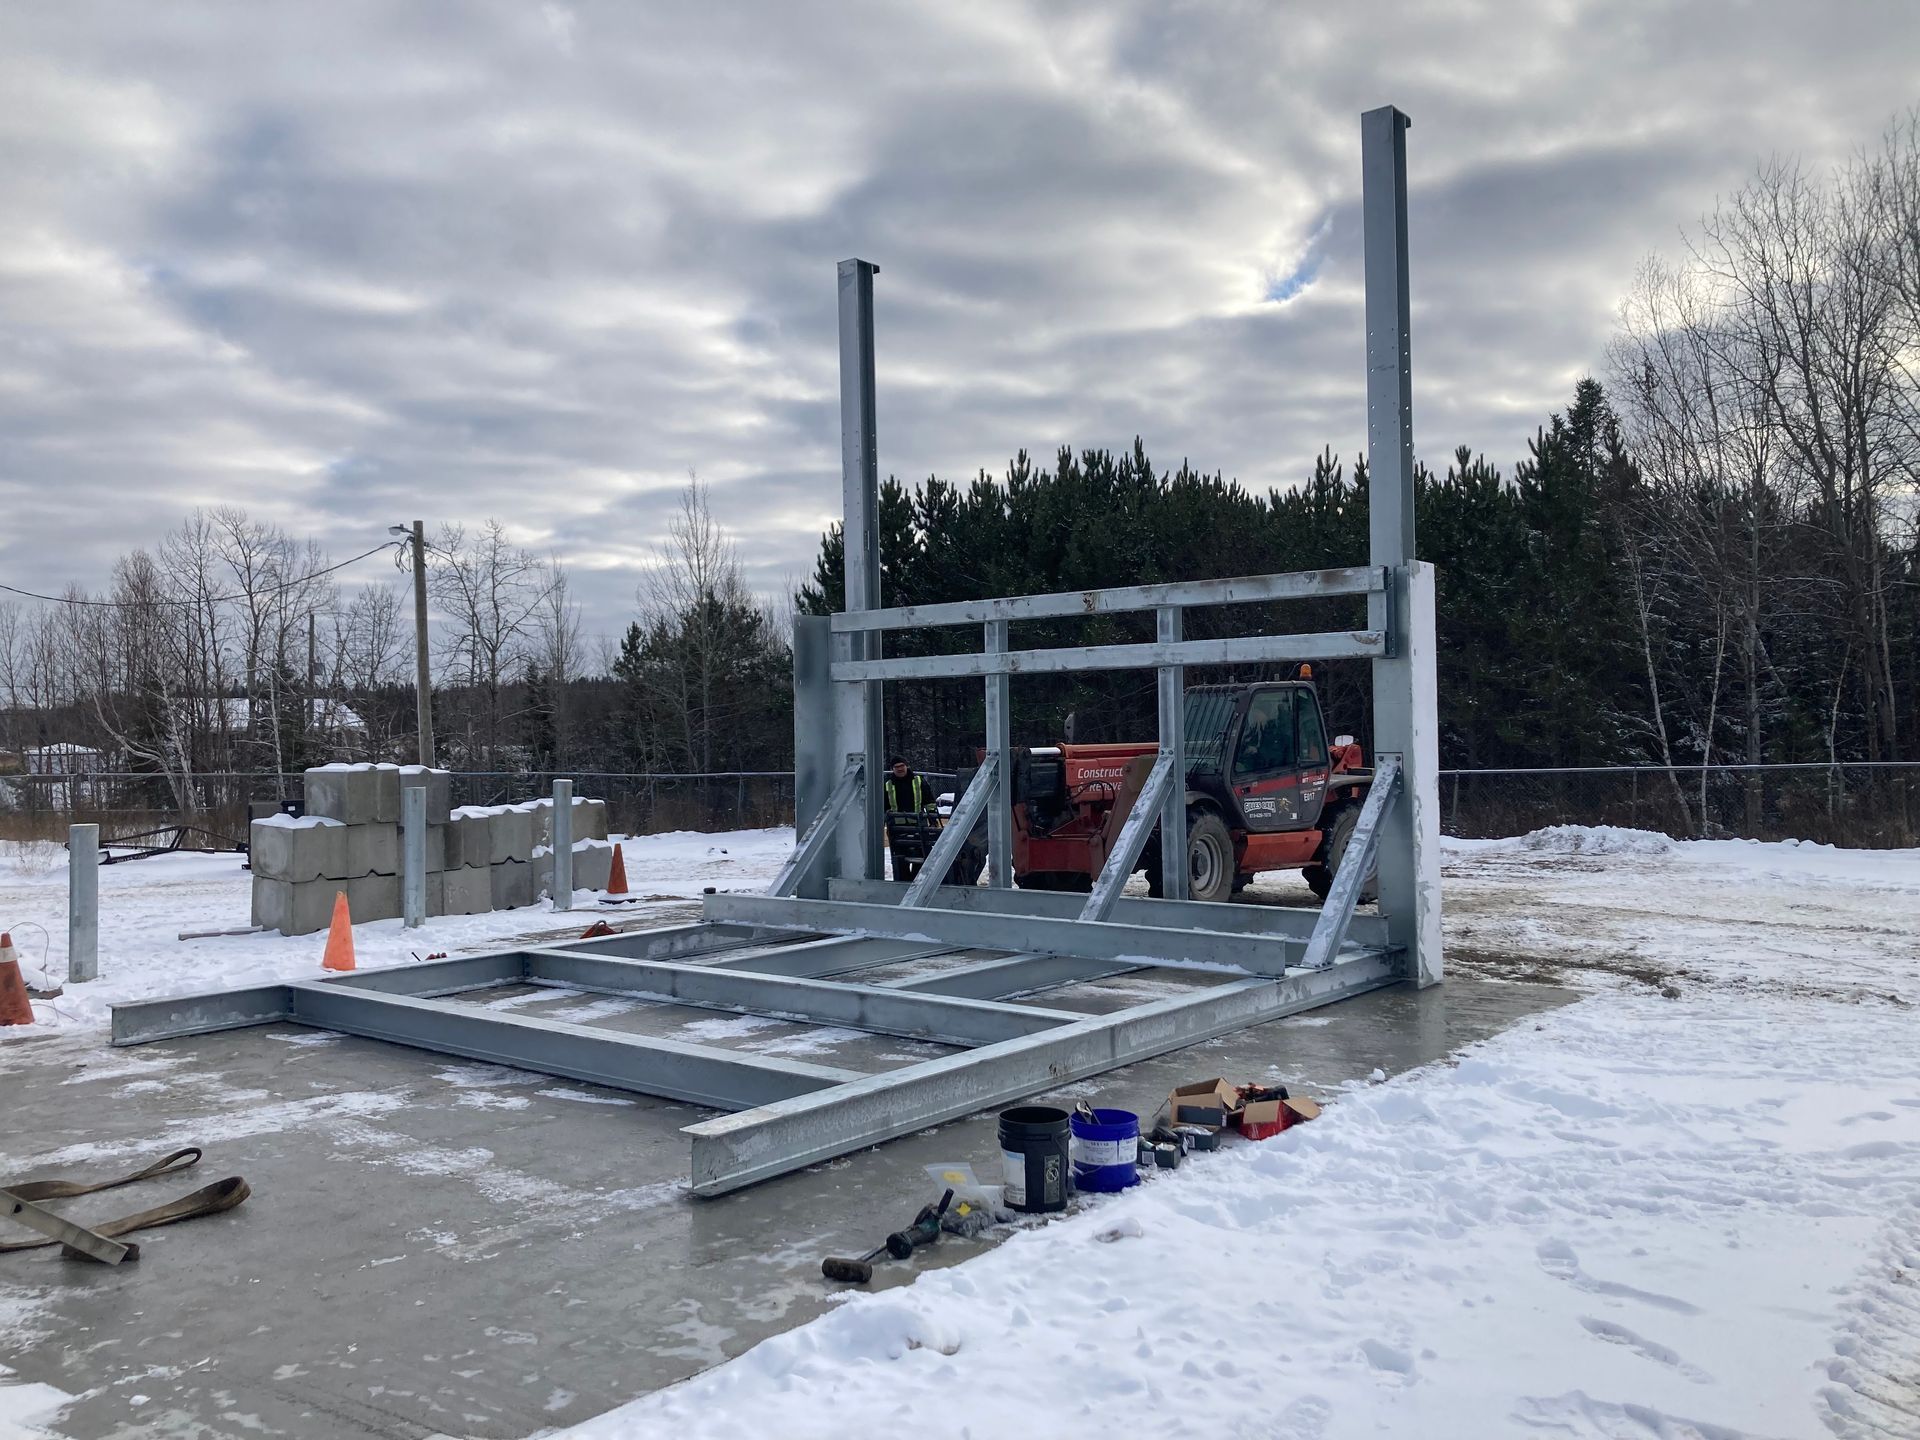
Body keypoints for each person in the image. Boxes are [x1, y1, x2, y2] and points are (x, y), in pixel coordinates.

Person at [882, 756, 936, 882]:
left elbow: (929, 800)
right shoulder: (888, 784)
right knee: (900, 857)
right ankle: (902, 882)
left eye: (902, 766)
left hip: (918, 826)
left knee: (921, 855)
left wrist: (932, 817)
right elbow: (883, 805)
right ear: (892, 769)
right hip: (897, 828)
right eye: (896, 767)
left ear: (907, 766)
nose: (900, 769)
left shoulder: (918, 781)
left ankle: (917, 881)